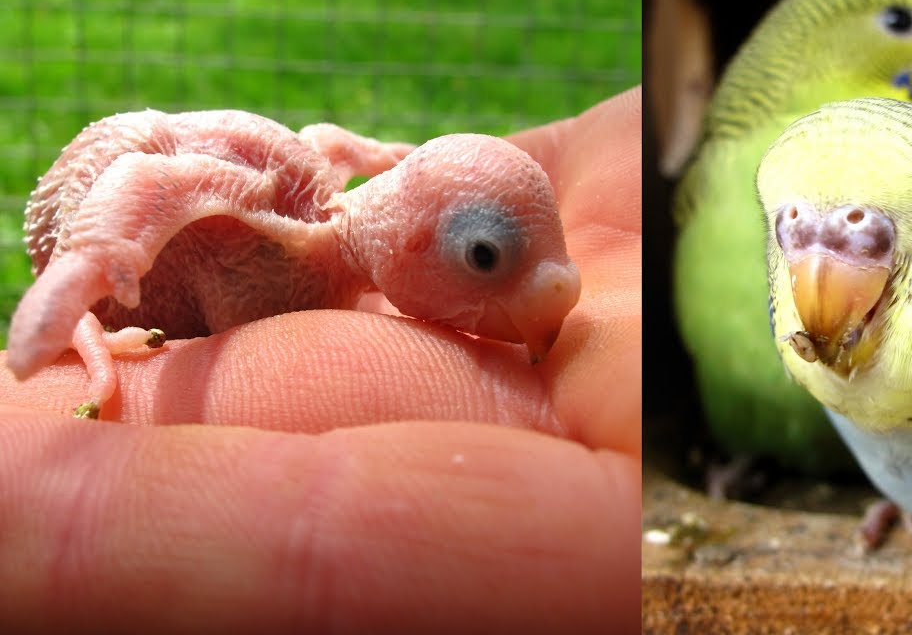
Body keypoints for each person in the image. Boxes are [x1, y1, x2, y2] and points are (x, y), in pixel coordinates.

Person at [0, 86, 641, 633]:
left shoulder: (328, 230)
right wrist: (85, 267)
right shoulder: (286, 225)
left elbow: (327, 142)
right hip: (93, 189)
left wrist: (378, 157)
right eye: (481, 259)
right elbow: (148, 176)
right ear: (413, 240)